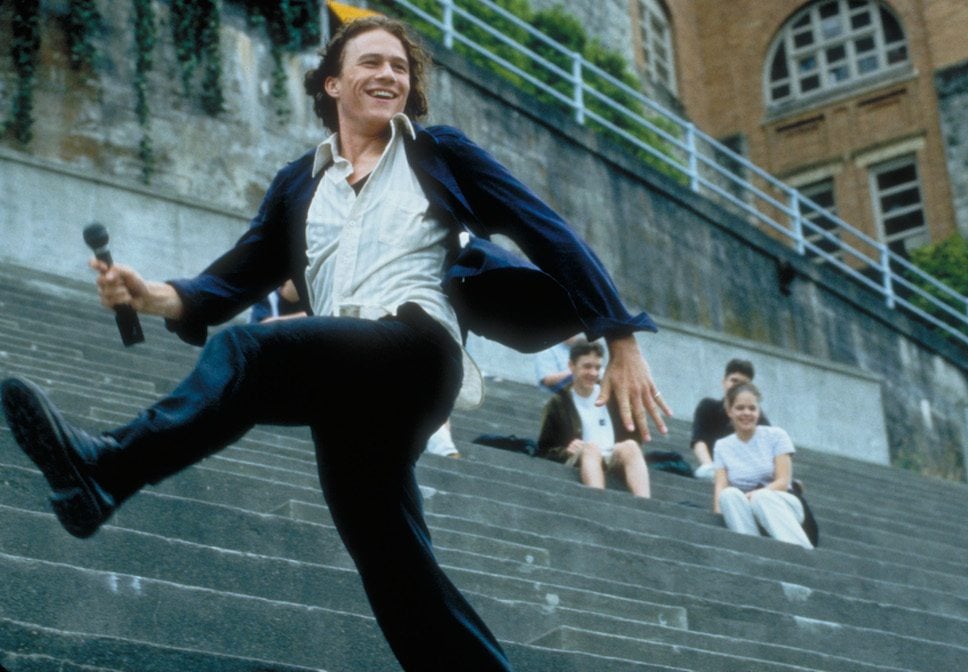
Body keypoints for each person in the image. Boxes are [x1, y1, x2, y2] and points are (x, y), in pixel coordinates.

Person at [0, 15, 671, 672]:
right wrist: (150, 295)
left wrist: (620, 336)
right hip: (341, 379)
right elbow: (228, 280)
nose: (389, 75)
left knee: (246, 351)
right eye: (371, 62)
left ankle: (105, 472)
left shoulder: (439, 153)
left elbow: (547, 230)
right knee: (393, 565)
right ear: (332, 84)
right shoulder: (299, 183)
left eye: (400, 67)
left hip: (416, 350)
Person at [537, 342, 651, 498]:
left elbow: (635, 436)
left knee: (630, 446)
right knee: (591, 448)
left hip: (613, 456)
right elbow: (543, 450)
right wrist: (566, 451)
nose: (593, 373)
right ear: (571, 366)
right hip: (583, 457)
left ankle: (644, 503)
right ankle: (598, 501)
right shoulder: (558, 403)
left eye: (597, 367)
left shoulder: (613, 396)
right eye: (587, 367)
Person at [712, 382, 813, 549]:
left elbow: (783, 482)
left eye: (752, 408)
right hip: (747, 510)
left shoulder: (776, 435)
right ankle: (751, 551)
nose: (746, 413)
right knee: (728, 495)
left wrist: (754, 495)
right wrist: (718, 515)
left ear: (758, 411)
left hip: (782, 504)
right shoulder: (722, 446)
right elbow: (720, 486)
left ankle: (800, 552)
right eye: (740, 408)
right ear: (729, 411)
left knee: (762, 497)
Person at [690, 358, 769, 479]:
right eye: (734, 381)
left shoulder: (757, 417)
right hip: (713, 470)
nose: (737, 387)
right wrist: (710, 467)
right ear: (724, 382)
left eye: (743, 384)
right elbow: (698, 440)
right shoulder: (708, 407)